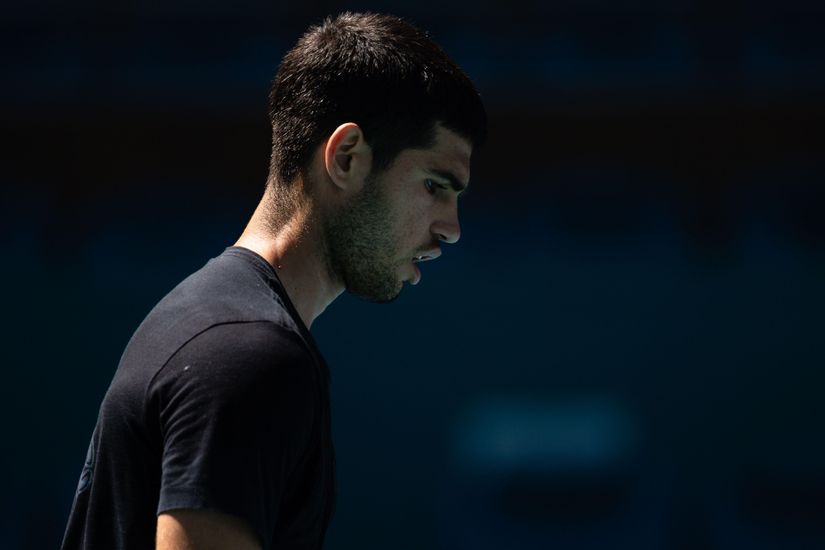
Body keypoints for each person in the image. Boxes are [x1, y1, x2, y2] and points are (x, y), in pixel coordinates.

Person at [60, 11, 486, 550]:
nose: (452, 228)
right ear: (348, 158)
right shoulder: (246, 356)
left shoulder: (218, 325)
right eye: (435, 185)